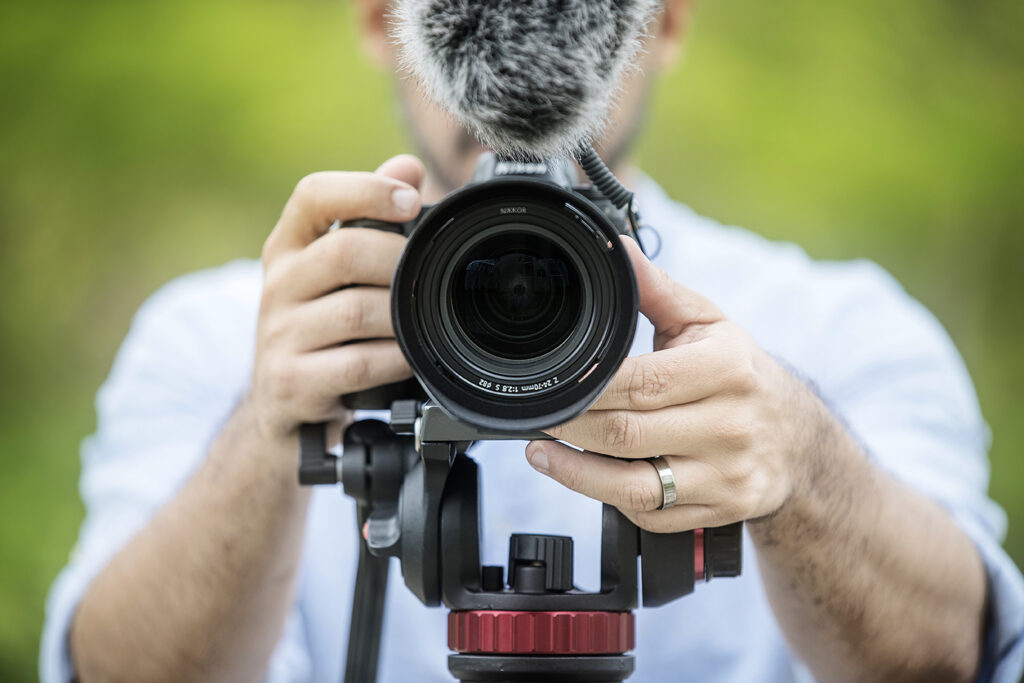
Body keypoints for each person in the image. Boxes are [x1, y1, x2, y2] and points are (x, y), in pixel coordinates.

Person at [41, 0, 1024, 681]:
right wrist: (268, 433)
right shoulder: (231, 334)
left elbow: (954, 653)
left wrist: (800, 465)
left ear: (664, 23)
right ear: (380, 25)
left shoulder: (833, 331)